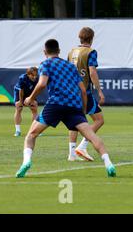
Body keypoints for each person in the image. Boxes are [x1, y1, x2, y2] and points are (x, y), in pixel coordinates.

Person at [15, 39, 116, 178]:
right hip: (74, 105)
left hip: (56, 104)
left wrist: (30, 98)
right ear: (59, 51)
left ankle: (26, 162)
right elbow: (82, 89)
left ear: (45, 52)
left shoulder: (45, 63)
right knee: (92, 136)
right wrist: (83, 109)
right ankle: (108, 163)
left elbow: (42, 84)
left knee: (31, 134)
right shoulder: (70, 66)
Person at [67, 27, 105, 162]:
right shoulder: (91, 52)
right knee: (99, 120)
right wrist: (99, 90)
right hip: (83, 92)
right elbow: (92, 71)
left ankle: (71, 154)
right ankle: (82, 146)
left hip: (70, 91)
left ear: (80, 37)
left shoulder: (72, 51)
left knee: (74, 121)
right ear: (92, 38)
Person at [13, 67, 38, 137]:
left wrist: (32, 99)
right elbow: (21, 91)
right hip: (19, 92)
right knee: (19, 108)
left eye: (36, 75)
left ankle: (34, 129)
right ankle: (17, 130)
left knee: (34, 107)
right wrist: (21, 101)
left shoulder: (38, 78)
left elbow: (38, 89)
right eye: (32, 75)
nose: (34, 77)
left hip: (30, 93)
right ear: (28, 74)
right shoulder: (23, 78)